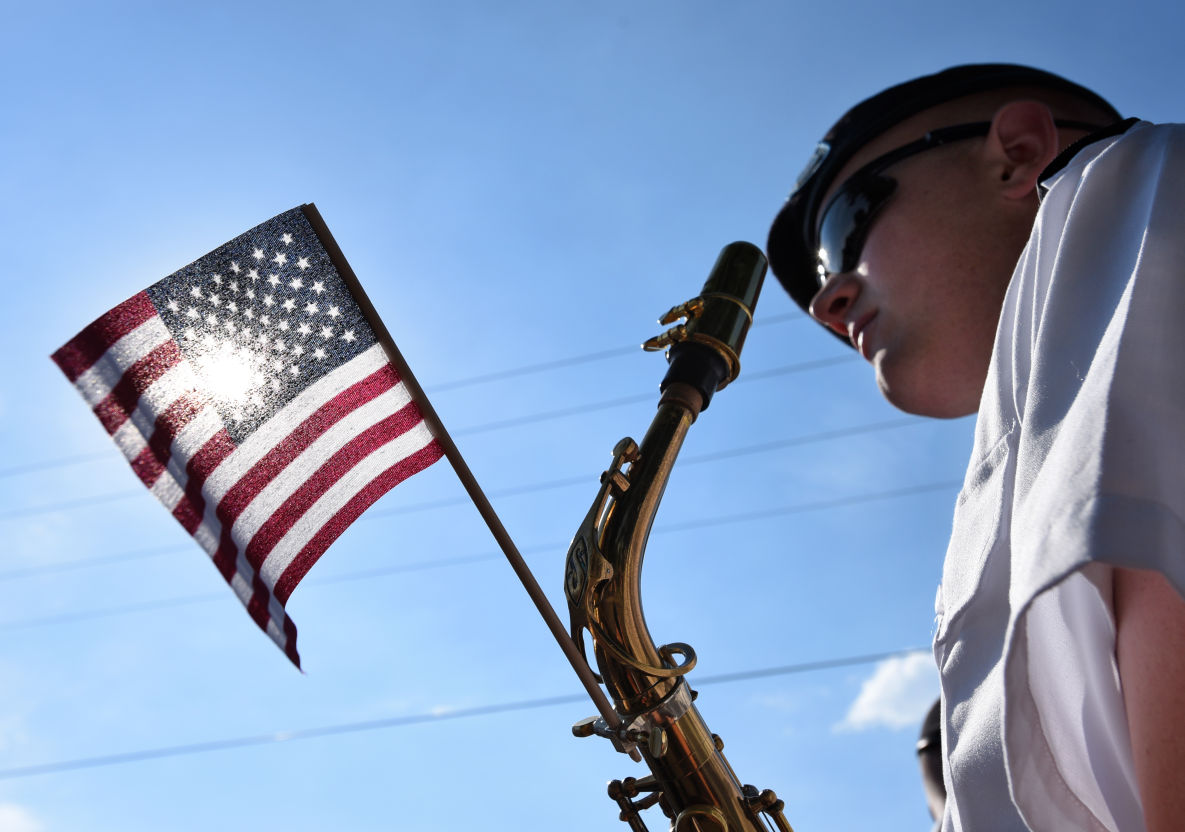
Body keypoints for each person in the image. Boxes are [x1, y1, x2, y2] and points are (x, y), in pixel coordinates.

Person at [766, 64, 1185, 832]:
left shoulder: (1146, 189)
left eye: (845, 231)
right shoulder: (1035, 413)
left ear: (1016, 155)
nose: (829, 300)